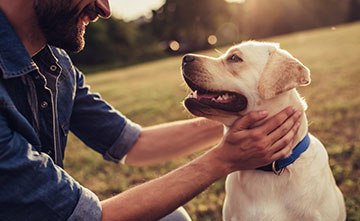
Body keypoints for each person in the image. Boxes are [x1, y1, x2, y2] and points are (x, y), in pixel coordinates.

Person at [0, 0, 302, 220]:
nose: (105, 8)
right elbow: (88, 218)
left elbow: (135, 144)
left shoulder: (56, 67)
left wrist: (252, 116)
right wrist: (223, 160)